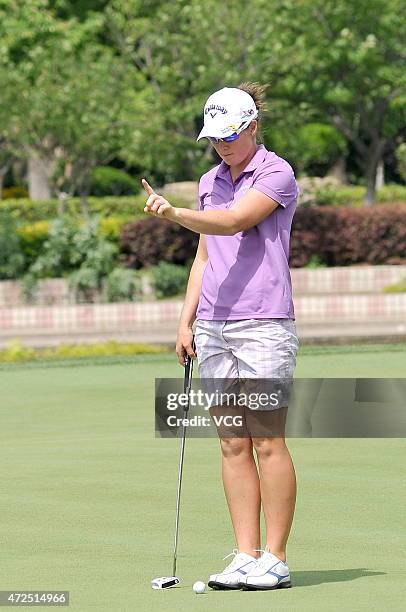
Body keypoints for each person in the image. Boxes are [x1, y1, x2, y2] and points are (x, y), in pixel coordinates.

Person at [142, 82, 300, 591]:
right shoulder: (210, 179)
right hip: (214, 324)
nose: (222, 146)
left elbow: (234, 223)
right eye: (214, 138)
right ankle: (245, 554)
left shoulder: (276, 174)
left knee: (267, 440)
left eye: (230, 136)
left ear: (253, 126)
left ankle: (274, 558)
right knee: (233, 442)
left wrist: (175, 214)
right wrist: (186, 320)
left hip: (263, 323)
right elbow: (206, 255)